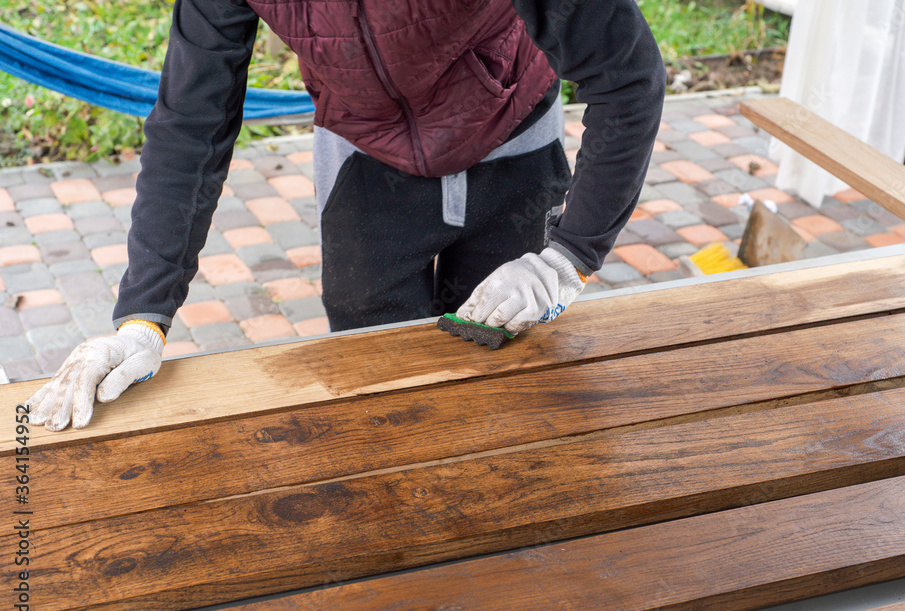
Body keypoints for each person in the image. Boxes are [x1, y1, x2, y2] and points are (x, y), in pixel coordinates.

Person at [26, 0, 666, 431]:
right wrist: (143, 317)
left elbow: (628, 77)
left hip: (512, 130)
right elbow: (192, 122)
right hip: (365, 154)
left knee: (512, 397)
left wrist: (566, 259)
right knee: (377, 406)